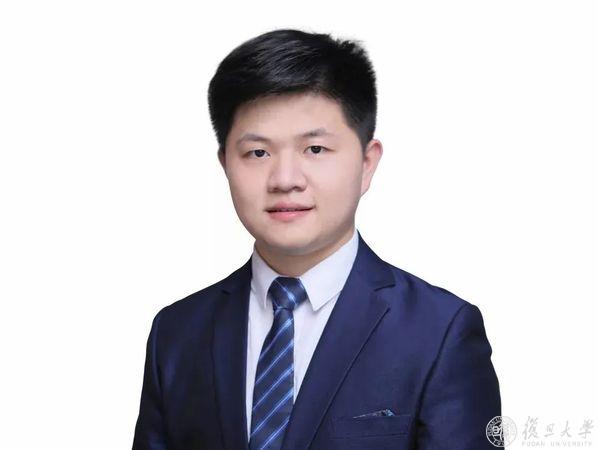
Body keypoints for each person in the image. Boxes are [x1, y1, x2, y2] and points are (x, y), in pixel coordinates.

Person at [132, 28, 502, 450]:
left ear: (366, 163)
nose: (285, 179)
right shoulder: (177, 333)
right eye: (258, 153)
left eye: (315, 150)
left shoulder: (440, 332)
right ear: (225, 164)